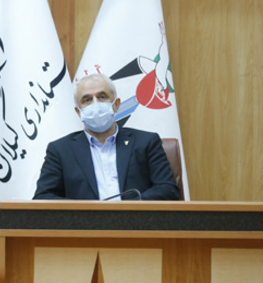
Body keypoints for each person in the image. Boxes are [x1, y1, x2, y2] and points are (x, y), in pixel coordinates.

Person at [33, 73, 180, 200]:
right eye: (87, 100)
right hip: (84, 223)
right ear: (78, 112)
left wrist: (127, 208)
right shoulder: (60, 150)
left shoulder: (146, 142)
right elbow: (43, 197)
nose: (95, 104)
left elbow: (168, 189)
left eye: (102, 97)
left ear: (116, 105)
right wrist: (85, 213)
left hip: (136, 221)